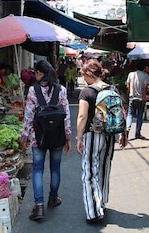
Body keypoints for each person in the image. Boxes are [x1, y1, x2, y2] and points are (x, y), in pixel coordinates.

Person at [20, 60, 72, 221]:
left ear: (40, 73)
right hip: (57, 136)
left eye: (36, 73)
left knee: (37, 170)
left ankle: (39, 206)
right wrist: (68, 137)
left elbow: (29, 115)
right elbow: (66, 115)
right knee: (55, 168)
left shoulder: (33, 91)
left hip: (38, 137)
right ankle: (53, 198)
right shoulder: (61, 90)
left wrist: (24, 137)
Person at [76, 59, 114, 224]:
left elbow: (82, 116)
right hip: (110, 136)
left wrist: (78, 137)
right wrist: (124, 135)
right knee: (104, 169)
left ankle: (94, 211)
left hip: (92, 136)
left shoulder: (87, 92)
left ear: (89, 74)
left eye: (84, 75)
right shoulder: (112, 88)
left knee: (89, 173)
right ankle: (102, 202)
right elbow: (121, 112)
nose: (84, 79)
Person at [125, 59, 149, 140]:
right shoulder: (146, 76)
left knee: (130, 115)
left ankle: (127, 130)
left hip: (132, 98)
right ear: (144, 67)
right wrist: (144, 98)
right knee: (140, 116)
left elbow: (128, 86)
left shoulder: (131, 74)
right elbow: (145, 88)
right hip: (141, 99)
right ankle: (138, 133)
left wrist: (130, 94)